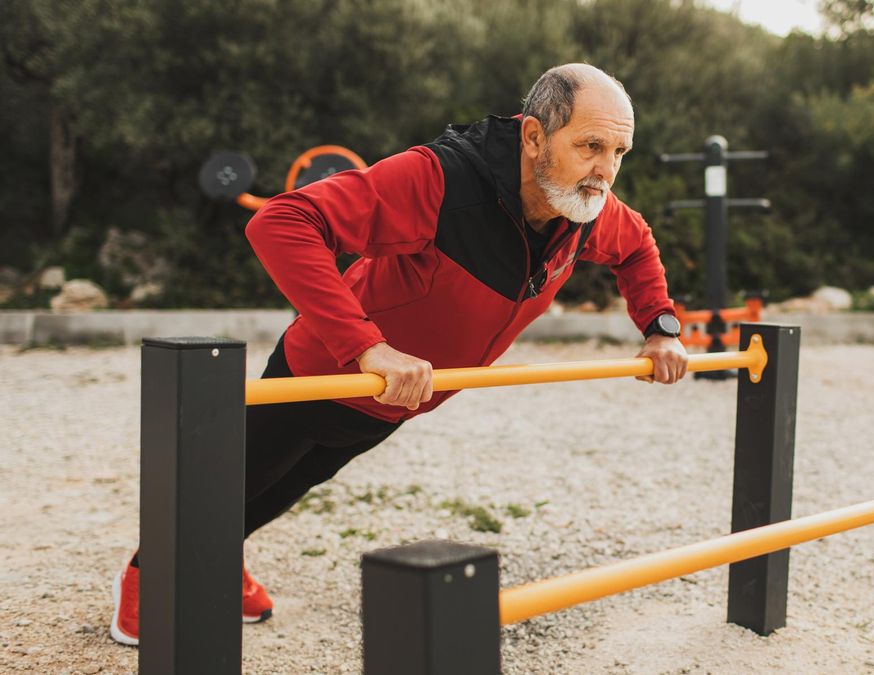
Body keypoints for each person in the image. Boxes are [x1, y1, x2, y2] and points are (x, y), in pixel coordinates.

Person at [110, 63, 687, 646]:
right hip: (322, 375)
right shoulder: (442, 180)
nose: (606, 171)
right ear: (535, 136)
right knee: (236, 482)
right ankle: (147, 580)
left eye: (619, 151)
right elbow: (282, 221)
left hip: (395, 400)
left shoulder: (582, 208)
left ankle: (217, 559)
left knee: (283, 488)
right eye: (591, 146)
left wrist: (660, 326)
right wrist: (368, 347)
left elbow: (636, 246)